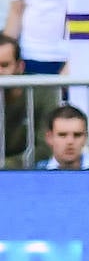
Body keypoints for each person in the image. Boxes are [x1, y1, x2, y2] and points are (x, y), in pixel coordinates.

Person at [0, 31, 56, 167]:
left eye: (4, 65)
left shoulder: (43, 92)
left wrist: (5, 165)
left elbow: (46, 148)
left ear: (20, 67)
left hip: (31, 172)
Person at [42, 103, 89, 169]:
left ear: (86, 137)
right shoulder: (38, 172)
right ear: (49, 138)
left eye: (77, 135)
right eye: (62, 135)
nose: (70, 141)